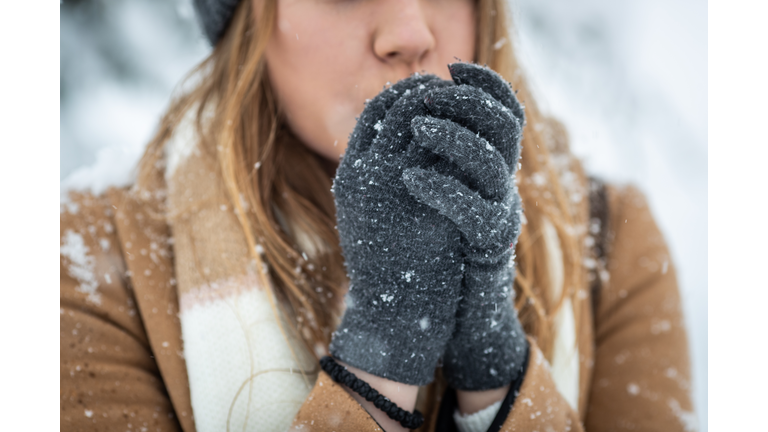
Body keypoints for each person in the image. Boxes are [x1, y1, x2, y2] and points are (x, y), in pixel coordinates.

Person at [59, 0, 695, 430]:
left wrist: (496, 377)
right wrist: (382, 352)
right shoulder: (89, 262)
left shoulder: (610, 242)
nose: (410, 33)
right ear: (248, 22)